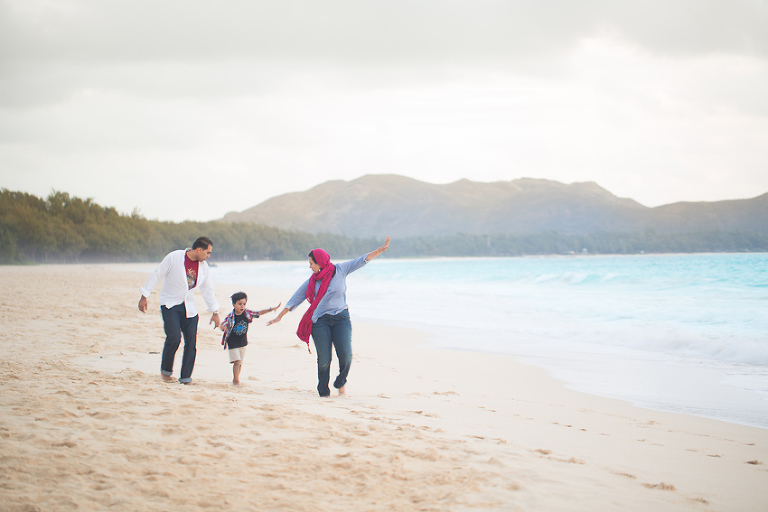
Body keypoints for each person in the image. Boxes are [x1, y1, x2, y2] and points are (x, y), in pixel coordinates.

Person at [267, 236, 390, 397]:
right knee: (324, 360)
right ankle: (323, 393)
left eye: (311, 263)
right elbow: (295, 299)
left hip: (341, 318)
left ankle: (341, 381)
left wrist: (379, 251)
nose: (310, 266)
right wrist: (280, 317)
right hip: (320, 321)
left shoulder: (340, 270)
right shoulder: (312, 282)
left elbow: (361, 260)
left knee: (346, 355)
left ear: (320, 262)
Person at [138, 236, 221, 384]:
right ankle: (166, 372)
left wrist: (215, 311)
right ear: (199, 249)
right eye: (208, 253)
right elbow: (158, 274)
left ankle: (185, 377)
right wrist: (145, 295)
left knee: (191, 343)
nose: (208, 256)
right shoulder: (175, 257)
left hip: (189, 307)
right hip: (170, 304)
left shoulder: (204, 267)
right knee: (174, 338)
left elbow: (208, 289)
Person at [220, 292, 280, 385]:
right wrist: (223, 328)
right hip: (232, 342)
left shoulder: (247, 313)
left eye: (244, 304)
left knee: (239, 363)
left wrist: (271, 309)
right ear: (234, 304)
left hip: (243, 342)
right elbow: (222, 325)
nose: (242, 306)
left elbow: (258, 313)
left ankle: (235, 379)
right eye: (239, 304)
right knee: (237, 361)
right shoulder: (230, 316)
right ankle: (236, 381)